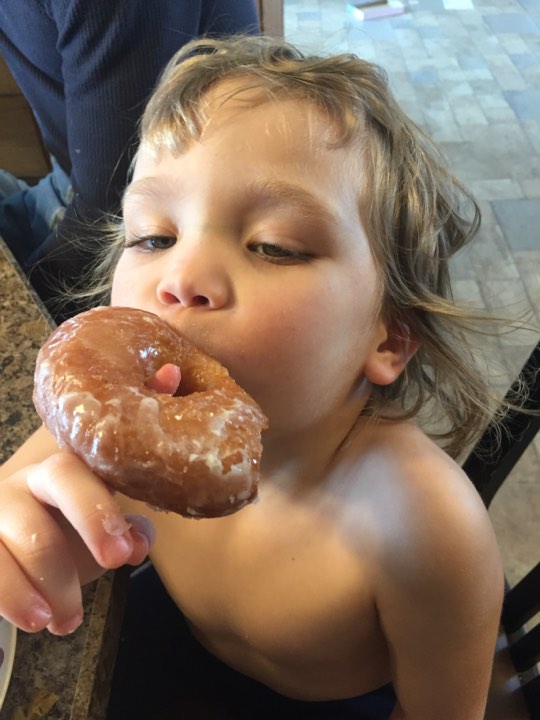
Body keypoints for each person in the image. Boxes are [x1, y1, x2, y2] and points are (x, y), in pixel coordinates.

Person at [0, 36, 506, 720]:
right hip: (165, 641)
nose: (180, 280)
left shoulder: (422, 527)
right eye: (153, 236)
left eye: (275, 246)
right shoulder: (134, 433)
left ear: (389, 336)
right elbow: (24, 491)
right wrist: (23, 526)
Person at [0, 0, 259, 323]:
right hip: (67, 182)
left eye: (273, 248)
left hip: (96, 214)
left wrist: (22, 321)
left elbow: (106, 212)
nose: (181, 283)